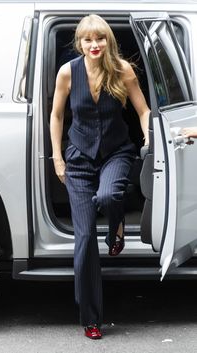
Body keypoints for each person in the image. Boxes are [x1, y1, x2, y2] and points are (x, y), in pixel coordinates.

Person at [50, 14, 150, 339]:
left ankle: (117, 226)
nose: (95, 45)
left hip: (117, 152)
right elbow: (56, 115)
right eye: (88, 40)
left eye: (101, 38)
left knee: (108, 196)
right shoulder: (68, 73)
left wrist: (148, 139)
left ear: (109, 40)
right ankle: (91, 318)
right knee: (84, 241)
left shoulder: (123, 70)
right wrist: (58, 158)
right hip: (79, 160)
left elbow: (144, 111)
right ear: (79, 43)